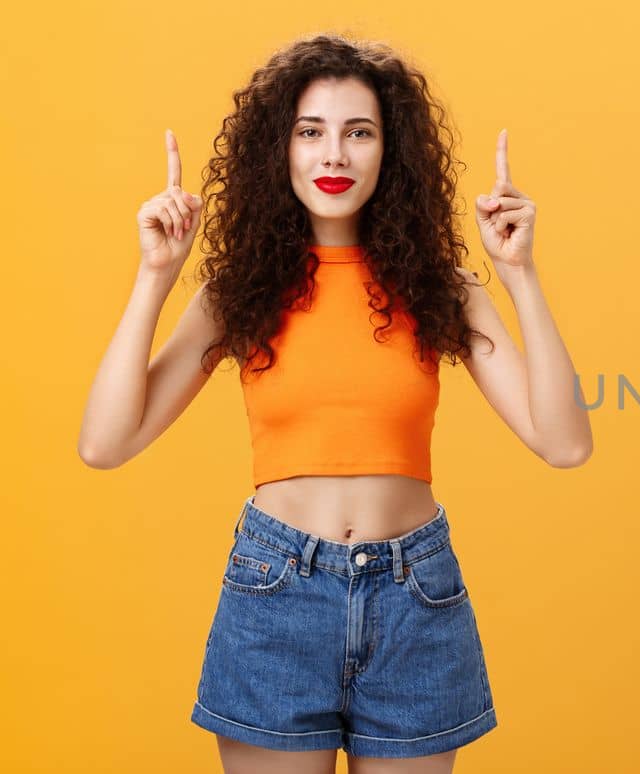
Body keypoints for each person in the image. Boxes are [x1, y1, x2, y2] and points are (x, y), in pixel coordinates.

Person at [77, 32, 592, 772]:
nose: (334, 156)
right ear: (278, 150)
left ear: (392, 153)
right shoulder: (239, 294)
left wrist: (521, 276)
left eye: (359, 133)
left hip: (416, 600)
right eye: (310, 132)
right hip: (276, 595)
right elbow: (105, 443)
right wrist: (155, 277)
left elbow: (565, 443)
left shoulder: (443, 286)